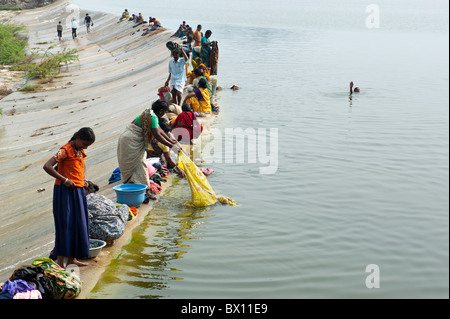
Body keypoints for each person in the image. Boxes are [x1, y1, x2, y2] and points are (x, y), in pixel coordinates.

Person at [43, 127, 96, 268]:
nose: (85, 147)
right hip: (64, 191)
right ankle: (60, 263)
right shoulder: (65, 150)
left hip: (78, 191)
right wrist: (65, 180)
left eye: (87, 146)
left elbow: (81, 167)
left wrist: (84, 180)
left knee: (79, 224)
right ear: (77, 137)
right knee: (65, 225)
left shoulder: (80, 151)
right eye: (84, 144)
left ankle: (72, 259)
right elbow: (47, 166)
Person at [117, 100, 178, 200]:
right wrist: (170, 145)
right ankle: (145, 192)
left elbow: (160, 130)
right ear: (161, 111)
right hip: (130, 141)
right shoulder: (152, 117)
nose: (164, 114)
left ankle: (139, 190)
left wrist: (170, 141)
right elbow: (157, 135)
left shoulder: (151, 115)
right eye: (164, 112)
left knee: (138, 164)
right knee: (139, 164)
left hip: (129, 139)